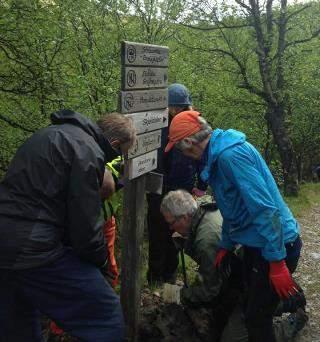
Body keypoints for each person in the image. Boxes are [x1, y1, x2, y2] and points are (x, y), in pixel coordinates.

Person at [164, 110, 306, 342]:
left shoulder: (231, 157)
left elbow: (265, 209)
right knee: (251, 301)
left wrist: (277, 262)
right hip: (256, 243)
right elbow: (232, 208)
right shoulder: (215, 158)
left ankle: (292, 303)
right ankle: (289, 300)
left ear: (189, 142)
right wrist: (226, 244)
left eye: (179, 147)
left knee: (256, 319)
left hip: (275, 244)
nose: (182, 154)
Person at [0, 109, 136, 341]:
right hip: (33, 248)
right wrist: (102, 261)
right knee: (105, 313)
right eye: (121, 153)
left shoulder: (47, 134)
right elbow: (84, 224)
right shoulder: (87, 151)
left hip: (5, 241)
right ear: (114, 143)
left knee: (19, 323)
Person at [160, 190, 308, 342]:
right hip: (246, 276)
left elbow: (210, 290)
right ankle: (289, 298)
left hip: (247, 284)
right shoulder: (205, 210)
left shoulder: (206, 239)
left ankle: (291, 318)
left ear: (184, 217)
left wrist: (181, 295)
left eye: (171, 223)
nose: (171, 228)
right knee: (251, 307)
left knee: (236, 337)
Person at [147, 83, 207, 284]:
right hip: (159, 187)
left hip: (181, 188)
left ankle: (169, 274)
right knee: (158, 231)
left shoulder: (192, 125)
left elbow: (201, 156)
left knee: (176, 232)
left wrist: (202, 185)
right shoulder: (158, 124)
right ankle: (156, 275)